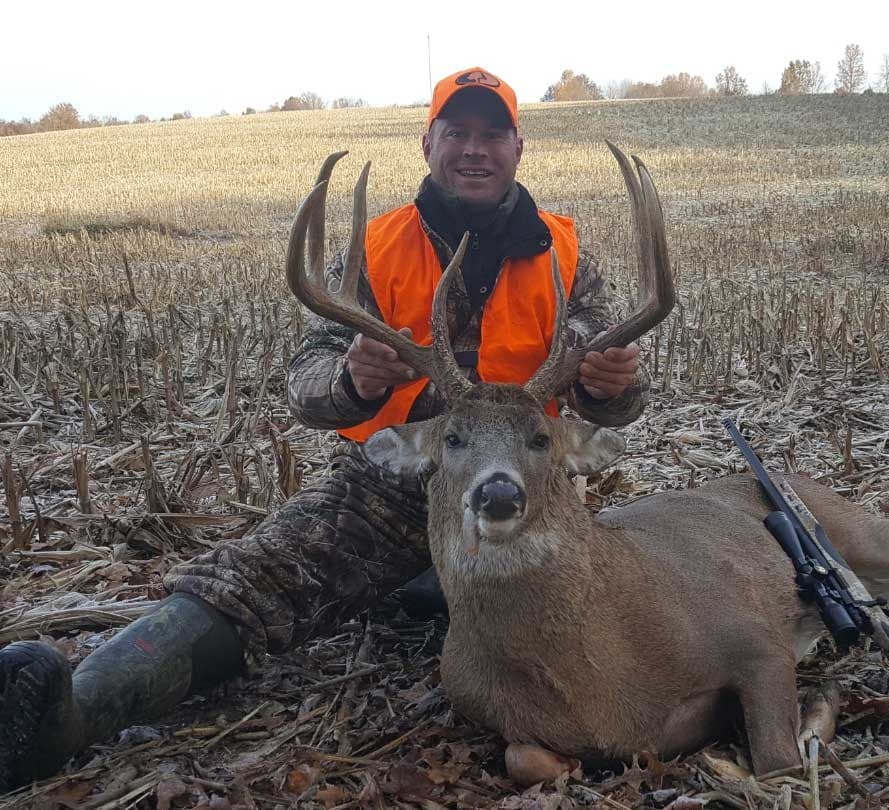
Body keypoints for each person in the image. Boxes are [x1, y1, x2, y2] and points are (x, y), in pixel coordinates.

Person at [0, 66, 648, 791]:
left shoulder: (564, 253)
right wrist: (351, 380)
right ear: (427, 140)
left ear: (518, 148)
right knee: (251, 578)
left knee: (611, 601)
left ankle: (436, 593)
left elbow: (618, 391)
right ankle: (74, 713)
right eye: (456, 132)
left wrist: (612, 386)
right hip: (393, 485)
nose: (474, 149)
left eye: (491, 134)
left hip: (522, 492)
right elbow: (305, 382)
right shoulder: (374, 250)